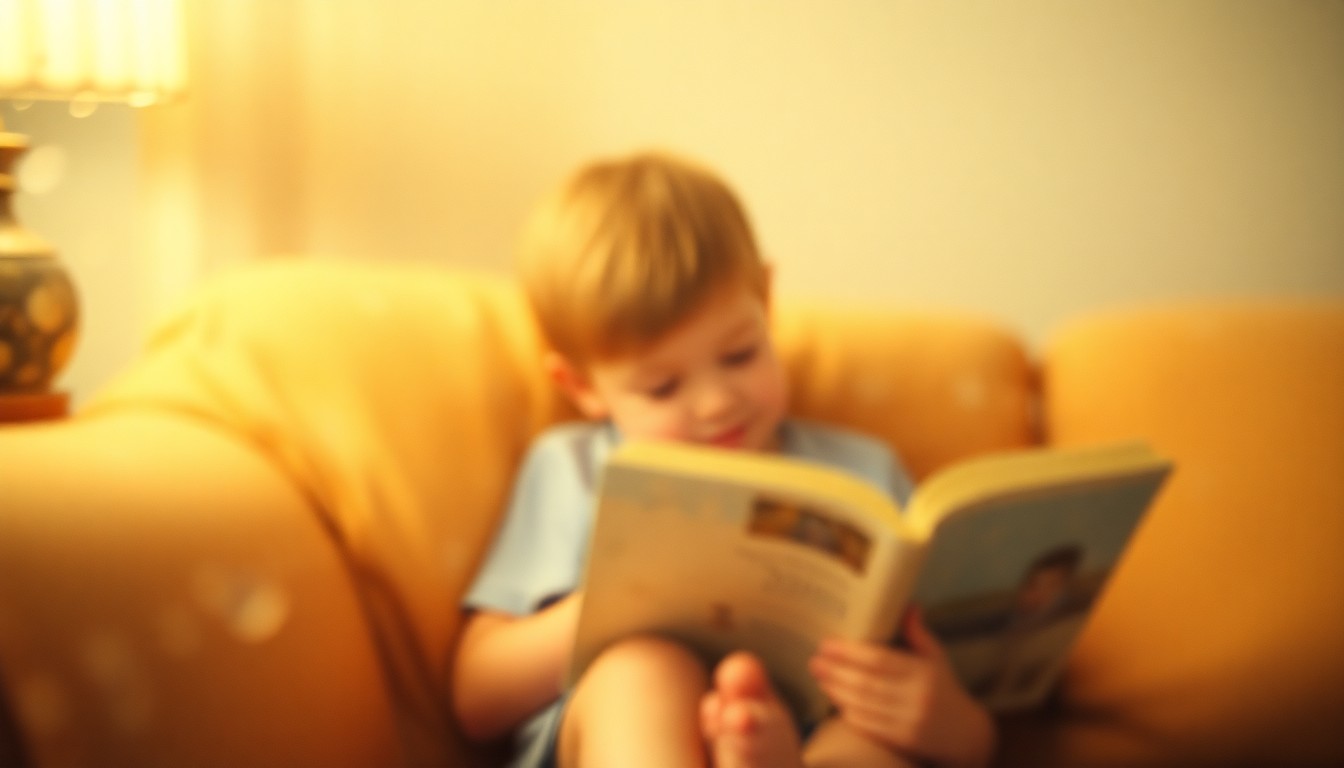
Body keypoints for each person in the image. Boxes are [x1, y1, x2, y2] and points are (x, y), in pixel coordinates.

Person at [451, 150, 996, 768]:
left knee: (867, 740)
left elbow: (953, 690)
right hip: (627, 732)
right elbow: (477, 698)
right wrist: (620, 604)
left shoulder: (865, 473)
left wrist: (960, 726)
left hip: (818, 734)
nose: (715, 403)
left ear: (766, 301)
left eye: (739, 354)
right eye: (662, 388)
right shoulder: (573, 468)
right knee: (642, 672)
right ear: (581, 386)